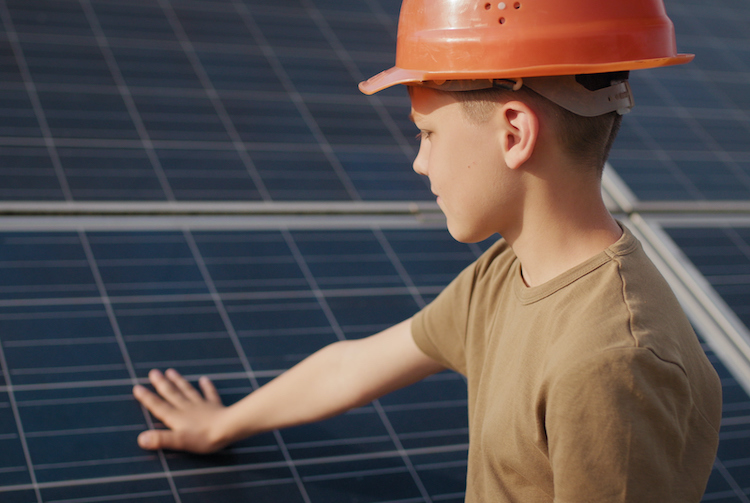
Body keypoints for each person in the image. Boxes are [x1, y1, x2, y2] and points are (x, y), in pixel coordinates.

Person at [133, 0, 723, 501]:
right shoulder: (506, 276)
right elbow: (352, 366)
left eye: (427, 133)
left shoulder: (612, 366)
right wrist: (222, 426)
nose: (419, 161)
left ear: (514, 133)